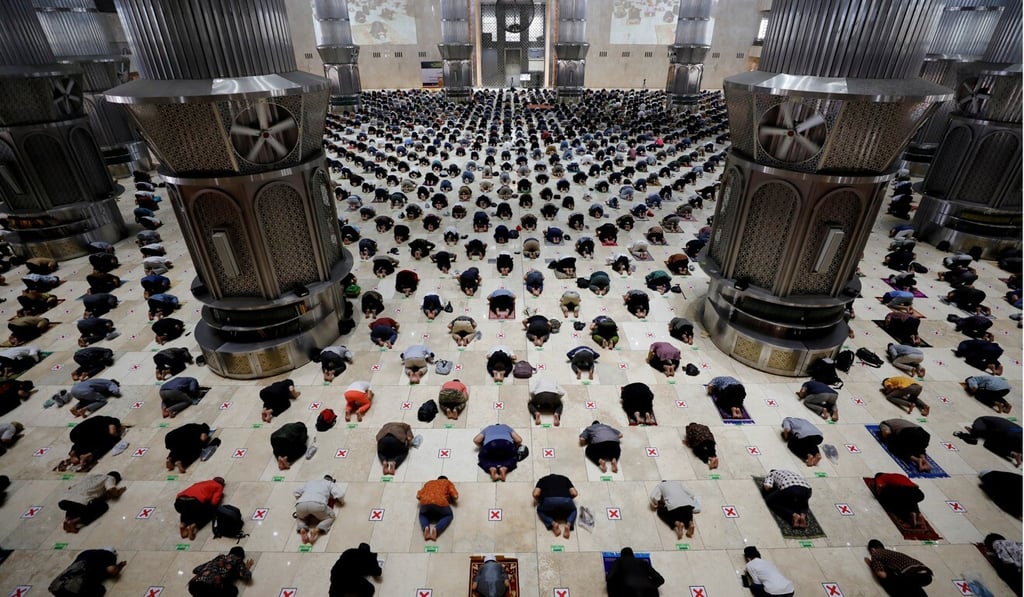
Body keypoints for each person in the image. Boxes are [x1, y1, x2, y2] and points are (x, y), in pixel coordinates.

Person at [57, 471, 125, 533]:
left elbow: (70, 487)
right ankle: (73, 522)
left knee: (72, 504)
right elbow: (112, 490)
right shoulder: (109, 478)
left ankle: (67, 520)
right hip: (80, 502)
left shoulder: (90, 476)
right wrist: (118, 492)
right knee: (103, 506)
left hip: (63, 501)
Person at [865, 539, 933, 596]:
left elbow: (882, 574)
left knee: (894, 583)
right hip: (927, 574)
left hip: (912, 575)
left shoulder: (876, 554)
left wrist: (872, 565)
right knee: (913, 588)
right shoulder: (892, 553)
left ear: (872, 549)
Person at [49, 547, 126, 597]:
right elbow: (111, 569)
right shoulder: (109, 556)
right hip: (75, 590)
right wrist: (119, 566)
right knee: (100, 590)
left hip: (56, 586)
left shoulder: (86, 552)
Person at [293, 474, 347, 545]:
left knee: (300, 517)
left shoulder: (310, 482)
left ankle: (302, 528)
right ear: (331, 480)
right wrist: (342, 502)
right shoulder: (329, 483)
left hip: (301, 504)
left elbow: (296, 493)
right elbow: (340, 494)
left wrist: (302, 499)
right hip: (318, 504)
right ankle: (317, 529)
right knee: (331, 516)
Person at [954, 416, 1022, 467]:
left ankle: (1013, 454)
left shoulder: (981, 422)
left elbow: (994, 436)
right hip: (1017, 434)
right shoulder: (987, 422)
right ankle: (1016, 452)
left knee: (988, 444)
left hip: (1010, 436)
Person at [188, 546, 254, 597]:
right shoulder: (237, 560)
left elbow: (195, 570)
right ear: (241, 556)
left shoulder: (220, 557)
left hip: (195, 585)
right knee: (233, 591)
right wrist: (245, 568)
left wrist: (205, 569)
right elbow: (247, 576)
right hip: (210, 588)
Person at [533, 473, 578, 539]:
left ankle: (553, 523)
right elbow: (574, 493)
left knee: (540, 510)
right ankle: (568, 524)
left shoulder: (543, 479)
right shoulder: (565, 478)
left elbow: (535, 494)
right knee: (573, 510)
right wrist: (568, 500)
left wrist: (540, 501)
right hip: (565, 500)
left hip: (548, 501)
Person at [416, 475, 458, 541]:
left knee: (423, 514)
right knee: (449, 515)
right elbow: (455, 495)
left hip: (425, 502)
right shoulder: (447, 482)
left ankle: (426, 527)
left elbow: (418, 496)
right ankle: (436, 530)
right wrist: (452, 499)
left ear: (437, 479)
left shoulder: (429, 483)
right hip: (440, 502)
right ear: (446, 479)